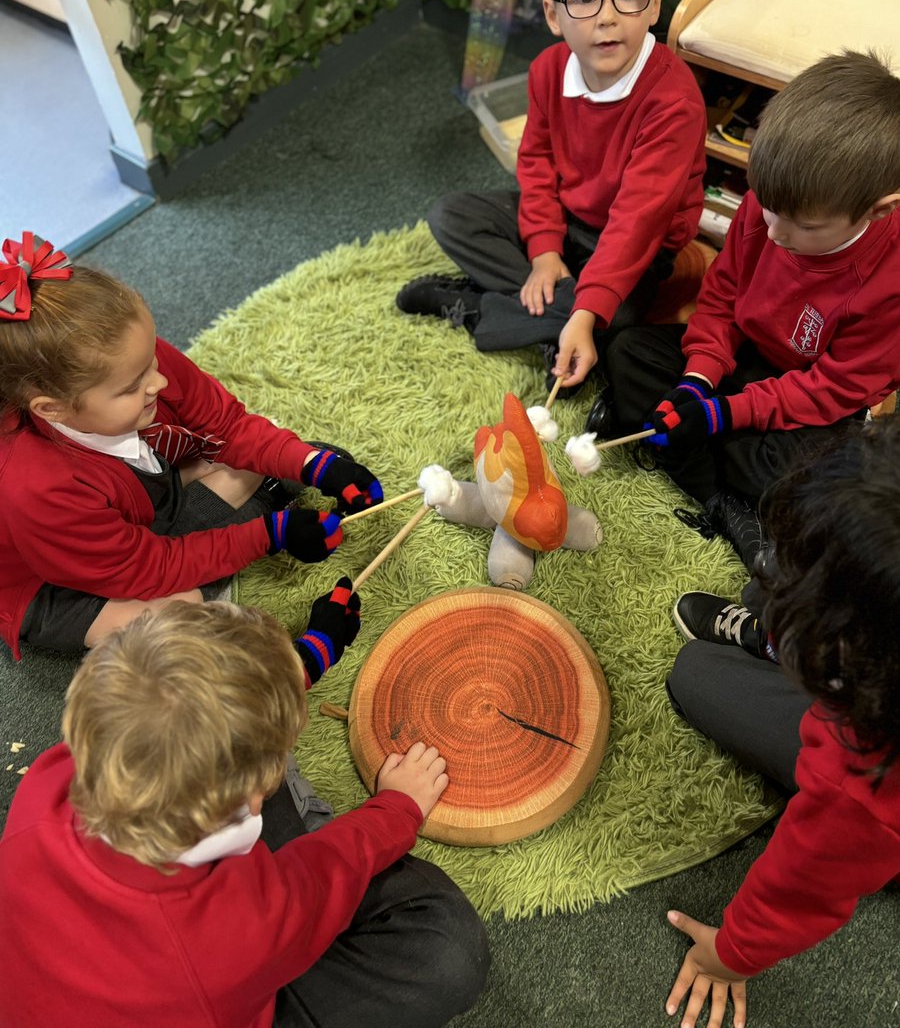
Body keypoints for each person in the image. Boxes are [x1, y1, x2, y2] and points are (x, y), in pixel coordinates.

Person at [0, 599, 490, 1027]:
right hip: (216, 974)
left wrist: (294, 666)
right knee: (448, 950)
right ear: (250, 796)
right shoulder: (241, 925)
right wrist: (397, 807)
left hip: (165, 965)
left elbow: (181, 713)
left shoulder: (53, 776)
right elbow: (320, 880)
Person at [0, 234, 383, 660]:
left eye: (152, 361)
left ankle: (231, 503)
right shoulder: (39, 486)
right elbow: (149, 570)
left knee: (285, 449)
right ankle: (254, 512)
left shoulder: (134, 364)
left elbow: (228, 425)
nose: (159, 382)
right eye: (133, 386)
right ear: (52, 408)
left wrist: (315, 465)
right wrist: (269, 535)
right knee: (177, 621)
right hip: (60, 587)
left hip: (134, 511)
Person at [600, 50, 900, 563]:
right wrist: (698, 381)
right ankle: (719, 491)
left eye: (804, 226)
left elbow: (833, 389)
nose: (776, 233)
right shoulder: (774, 206)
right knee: (628, 349)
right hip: (740, 361)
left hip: (811, 397)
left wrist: (723, 414)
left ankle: (689, 465)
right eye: (767, 208)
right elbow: (719, 299)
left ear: (878, 210)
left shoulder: (889, 280)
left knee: (824, 482)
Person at [395, 0, 707, 397]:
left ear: (654, 4)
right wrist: (543, 249)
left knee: (615, 315)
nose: (607, 16)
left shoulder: (674, 100)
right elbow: (536, 163)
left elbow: (638, 220)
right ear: (553, 15)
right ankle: (554, 315)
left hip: (638, 243)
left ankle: (480, 308)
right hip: (569, 221)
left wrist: (588, 310)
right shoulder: (546, 71)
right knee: (452, 216)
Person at [662, 418, 900, 1028]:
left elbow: (806, 883)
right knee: (764, 583)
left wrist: (733, 955)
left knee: (695, 673)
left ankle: (773, 637)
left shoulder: (864, 784)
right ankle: (774, 629)